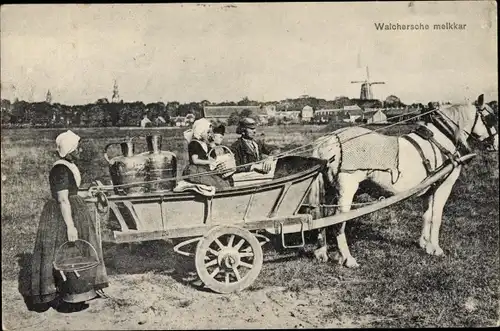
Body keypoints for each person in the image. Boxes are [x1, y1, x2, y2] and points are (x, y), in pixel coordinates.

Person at [30, 130, 108, 309]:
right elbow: (62, 199)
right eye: (76, 147)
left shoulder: (68, 166)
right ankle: (64, 292)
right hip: (62, 215)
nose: (79, 150)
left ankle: (80, 290)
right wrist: (70, 226)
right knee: (63, 251)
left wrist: (87, 193)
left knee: (76, 250)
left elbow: (71, 193)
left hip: (74, 209)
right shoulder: (60, 169)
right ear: (70, 150)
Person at [182, 118, 232, 189]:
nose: (209, 135)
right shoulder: (194, 143)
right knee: (215, 184)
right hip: (196, 170)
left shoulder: (205, 144)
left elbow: (211, 156)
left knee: (223, 182)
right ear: (200, 131)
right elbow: (195, 160)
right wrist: (209, 162)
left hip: (205, 169)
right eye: (207, 132)